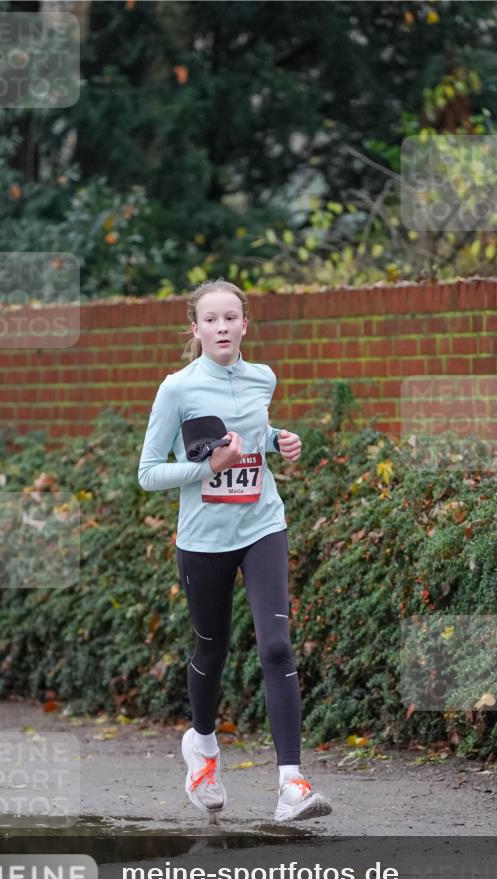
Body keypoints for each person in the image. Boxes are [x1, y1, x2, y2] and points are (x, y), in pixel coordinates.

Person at [137, 278, 332, 823]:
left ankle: (291, 785)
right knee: (212, 651)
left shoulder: (263, 377)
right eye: (210, 319)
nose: (222, 327)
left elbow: (256, 434)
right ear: (195, 329)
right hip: (203, 540)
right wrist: (208, 469)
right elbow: (149, 474)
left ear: (245, 324)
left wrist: (278, 441)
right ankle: (202, 749)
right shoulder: (177, 387)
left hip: (263, 525)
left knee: (276, 646)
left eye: (231, 317)